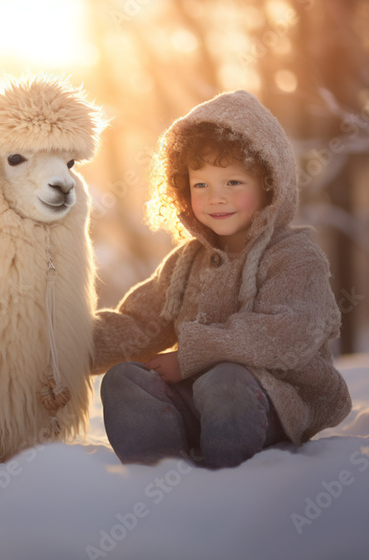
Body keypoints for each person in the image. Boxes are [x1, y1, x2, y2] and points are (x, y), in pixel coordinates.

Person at [92, 90, 352, 469]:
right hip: (198, 403)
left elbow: (290, 331)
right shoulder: (186, 261)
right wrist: (63, 343)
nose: (216, 198)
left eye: (233, 183)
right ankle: (161, 475)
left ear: (268, 185)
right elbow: (139, 324)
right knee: (123, 380)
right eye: (201, 185)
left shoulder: (294, 256)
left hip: (273, 402)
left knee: (224, 380)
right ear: (183, 189)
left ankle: (226, 483)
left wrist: (193, 355)